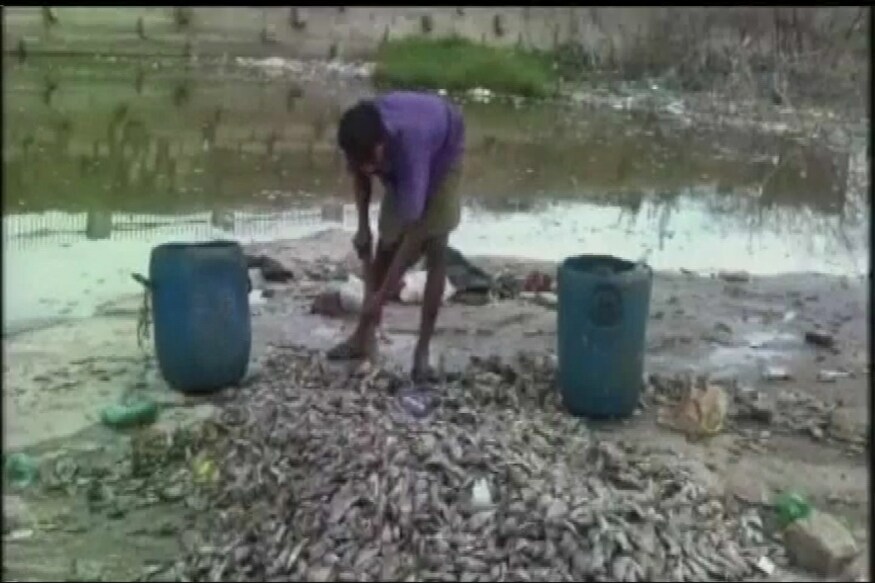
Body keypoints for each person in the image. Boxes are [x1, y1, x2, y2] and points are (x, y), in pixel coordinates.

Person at [327, 91, 465, 382]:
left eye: (370, 161)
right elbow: (361, 176)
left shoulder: (412, 148)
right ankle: (361, 339)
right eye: (360, 162)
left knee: (436, 246)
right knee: (384, 244)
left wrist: (383, 294)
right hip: (400, 150)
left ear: (381, 146)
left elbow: (414, 235)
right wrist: (363, 227)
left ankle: (422, 352)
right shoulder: (362, 133)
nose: (366, 168)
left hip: (443, 148)